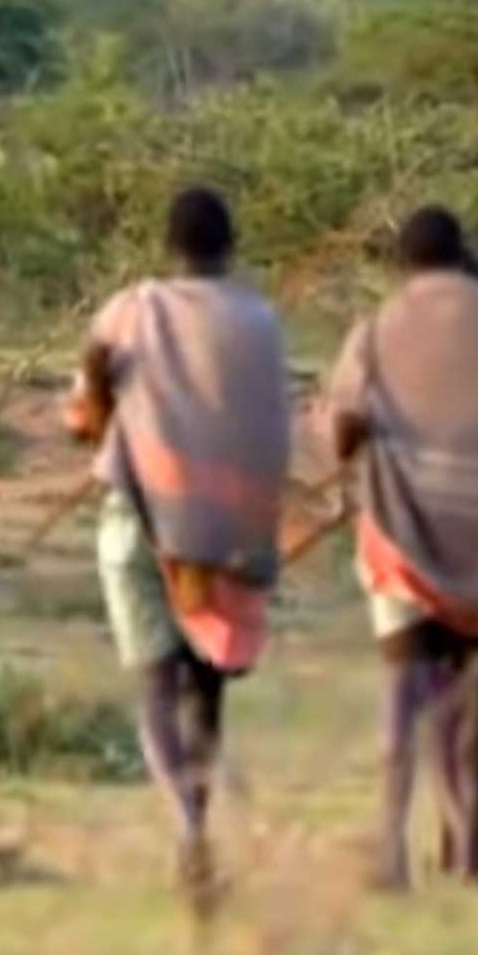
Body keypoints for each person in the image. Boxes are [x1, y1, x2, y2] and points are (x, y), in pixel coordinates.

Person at [323, 205, 478, 890]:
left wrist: (363, 447)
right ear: (461, 257)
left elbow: (342, 426)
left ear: (402, 265)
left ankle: (390, 853)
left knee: (404, 688)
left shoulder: (377, 330)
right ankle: (473, 853)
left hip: (403, 541)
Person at [62, 186, 291, 901]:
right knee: (206, 686)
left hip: (144, 517)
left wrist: (104, 396)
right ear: (232, 245)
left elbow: (85, 423)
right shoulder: (262, 320)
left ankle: (189, 825)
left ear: (170, 245)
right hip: (234, 529)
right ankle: (202, 815)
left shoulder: (132, 310)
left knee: (156, 683)